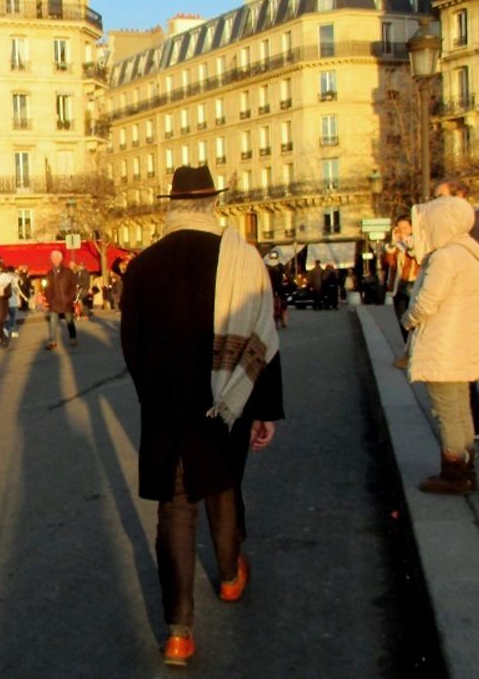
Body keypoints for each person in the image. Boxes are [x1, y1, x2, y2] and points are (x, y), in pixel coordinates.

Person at [120, 166, 284, 667]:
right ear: (213, 203)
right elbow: (262, 337)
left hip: (167, 403)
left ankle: (178, 631)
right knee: (222, 485)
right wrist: (263, 410)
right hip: (227, 397)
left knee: (174, 508)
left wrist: (152, 393)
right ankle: (231, 576)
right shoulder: (241, 257)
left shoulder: (144, 265)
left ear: (172, 205)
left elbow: (132, 344)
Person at [402, 195, 479, 494]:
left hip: (443, 346)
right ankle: (466, 465)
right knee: (461, 408)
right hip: (463, 343)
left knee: (447, 411)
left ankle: (454, 473)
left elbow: (427, 300)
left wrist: (408, 319)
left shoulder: (446, 256)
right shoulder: (471, 252)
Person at [436, 179, 479, 442]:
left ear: (460, 197)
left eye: (441, 197)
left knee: (472, 366)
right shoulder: (464, 225)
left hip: (478, 306)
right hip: (473, 305)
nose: (437, 204)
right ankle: (471, 424)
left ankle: (478, 422)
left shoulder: (477, 223)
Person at [386, 214, 421, 360]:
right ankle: (408, 350)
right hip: (399, 285)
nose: (403, 231)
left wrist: (406, 245)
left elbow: (417, 257)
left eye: (405, 228)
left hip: (414, 282)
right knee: (402, 319)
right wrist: (393, 245)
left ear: (412, 228)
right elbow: (389, 263)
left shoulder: (417, 242)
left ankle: (414, 351)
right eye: (399, 228)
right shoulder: (395, 246)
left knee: (413, 319)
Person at [43, 249, 77, 349]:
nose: (55, 259)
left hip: (66, 301)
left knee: (69, 320)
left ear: (61, 259)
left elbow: (73, 286)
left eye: (57, 257)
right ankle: (52, 341)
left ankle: (72, 337)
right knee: (53, 321)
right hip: (54, 302)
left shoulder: (68, 272)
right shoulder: (49, 273)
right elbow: (47, 287)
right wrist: (49, 299)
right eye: (53, 258)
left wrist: (70, 298)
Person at [265, 251, 288, 329]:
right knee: (283, 300)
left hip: (270, 287)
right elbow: (286, 276)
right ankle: (284, 318)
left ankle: (271, 317)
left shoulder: (266, 266)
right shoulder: (280, 265)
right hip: (279, 286)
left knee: (267, 302)